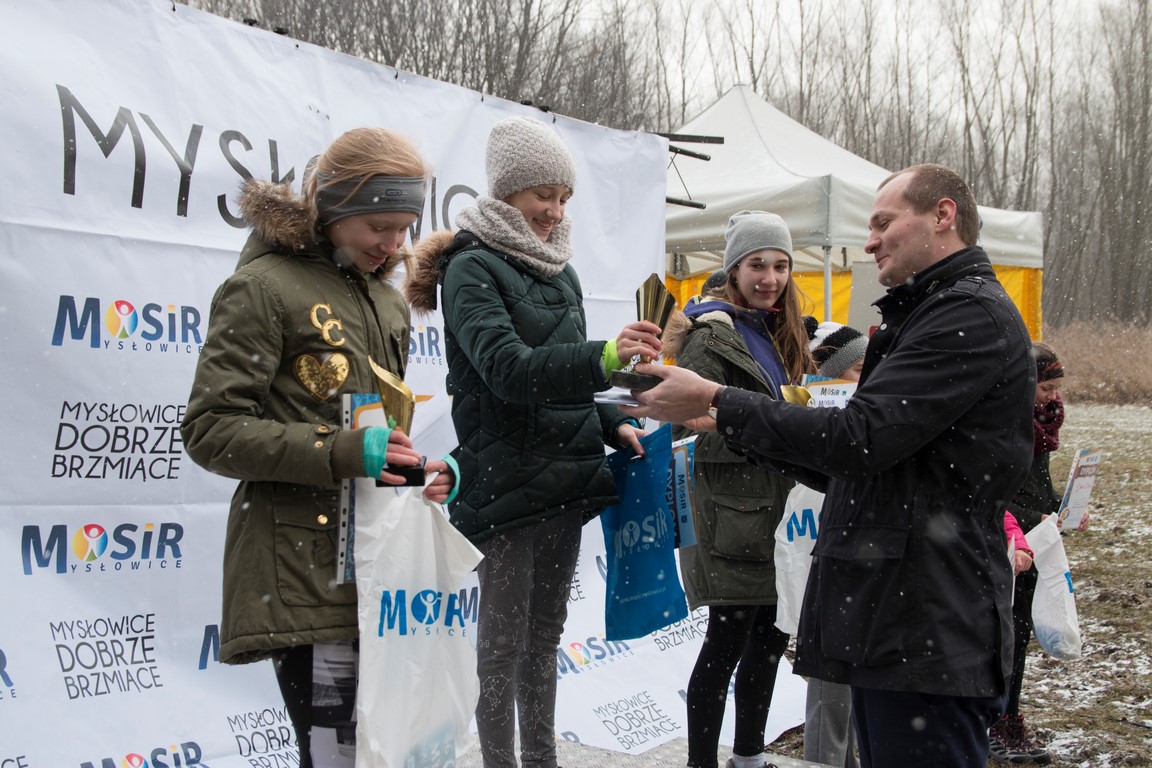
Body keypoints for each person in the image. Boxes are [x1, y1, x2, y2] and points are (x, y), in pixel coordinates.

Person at [623, 164, 1036, 768]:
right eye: (757, 264)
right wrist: (726, 422)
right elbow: (861, 464)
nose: (869, 242)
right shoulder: (931, 311)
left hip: (926, 620)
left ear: (943, 216)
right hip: (898, 614)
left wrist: (719, 401)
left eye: (883, 223)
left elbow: (858, 441)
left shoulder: (964, 317)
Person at [181, 127, 453, 767]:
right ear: (332, 206)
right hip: (302, 569)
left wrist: (419, 473)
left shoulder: (387, 301)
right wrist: (342, 451)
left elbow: (376, 432)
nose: (393, 245)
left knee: (389, 754)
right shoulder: (264, 288)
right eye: (379, 226)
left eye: (404, 228)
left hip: (381, 571)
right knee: (338, 756)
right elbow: (212, 430)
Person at [404, 115, 662, 768]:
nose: (555, 211)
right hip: (504, 484)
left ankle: (541, 761)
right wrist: (606, 357)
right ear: (507, 190)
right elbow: (509, 371)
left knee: (544, 640)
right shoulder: (470, 269)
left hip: (567, 481)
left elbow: (561, 382)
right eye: (543, 194)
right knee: (501, 649)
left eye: (564, 197)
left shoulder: (561, 274)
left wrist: (610, 421)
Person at [663, 211, 814, 768]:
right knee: (724, 645)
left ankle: (748, 755)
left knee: (769, 645)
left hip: (779, 514)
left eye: (780, 266)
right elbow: (683, 433)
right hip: (730, 515)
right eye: (757, 265)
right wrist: (766, 435)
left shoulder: (781, 331)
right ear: (733, 270)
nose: (770, 278)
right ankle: (701, 762)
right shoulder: (711, 335)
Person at [991, 342, 1086, 765]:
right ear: (1025, 382)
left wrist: (1065, 507)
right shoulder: (1003, 427)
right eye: (1046, 388)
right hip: (1006, 544)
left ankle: (1009, 718)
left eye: (1056, 388)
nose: (1053, 397)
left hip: (1035, 542)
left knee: (1018, 635)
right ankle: (996, 722)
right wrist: (1037, 516)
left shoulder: (1039, 425)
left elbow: (1036, 488)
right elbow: (994, 495)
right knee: (1004, 638)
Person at [798, 319, 867, 768]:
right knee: (831, 684)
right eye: (858, 369)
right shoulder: (817, 420)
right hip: (832, 561)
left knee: (854, 678)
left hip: (860, 558)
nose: (868, 378)